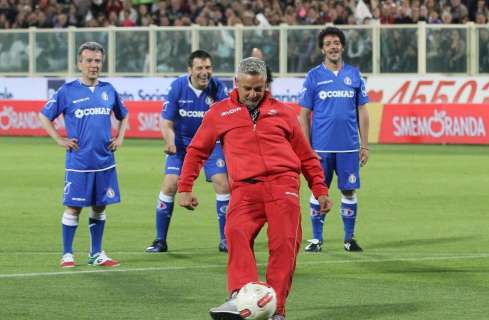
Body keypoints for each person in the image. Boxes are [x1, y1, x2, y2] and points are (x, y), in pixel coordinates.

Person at [177, 57, 332, 320]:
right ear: (236, 83)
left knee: (284, 245)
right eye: (247, 88)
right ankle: (242, 297)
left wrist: (320, 189)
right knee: (235, 232)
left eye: (258, 89)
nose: (252, 94)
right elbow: (196, 151)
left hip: (283, 186)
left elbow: (306, 155)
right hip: (245, 190)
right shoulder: (218, 113)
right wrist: (185, 187)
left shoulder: (283, 112)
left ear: (265, 85)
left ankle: (276, 310)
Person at [39, 41, 129, 268]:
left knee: (100, 206)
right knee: (74, 207)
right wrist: (59, 139)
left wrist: (119, 138)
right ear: (80, 63)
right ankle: (67, 254)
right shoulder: (67, 91)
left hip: (105, 161)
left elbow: (123, 115)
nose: (93, 65)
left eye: (97, 60)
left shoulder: (108, 90)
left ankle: (96, 253)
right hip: (79, 161)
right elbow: (44, 116)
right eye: (89, 60)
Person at [145, 50, 230, 253]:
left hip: (211, 143)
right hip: (182, 145)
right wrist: (170, 142)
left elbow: (228, 119)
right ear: (189, 70)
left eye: (208, 67)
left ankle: (226, 239)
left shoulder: (218, 88)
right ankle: (159, 240)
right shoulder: (177, 87)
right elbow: (166, 122)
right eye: (199, 68)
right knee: (170, 184)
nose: (204, 72)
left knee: (223, 184)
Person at [299, 26, 370, 253]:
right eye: (328, 43)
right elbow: (303, 115)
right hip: (320, 148)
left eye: (337, 43)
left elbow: (363, 111)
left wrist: (364, 144)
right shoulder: (314, 76)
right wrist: (307, 148)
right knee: (318, 191)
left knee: (349, 191)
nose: (333, 47)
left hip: (349, 147)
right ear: (322, 49)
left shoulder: (355, 75)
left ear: (342, 46)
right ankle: (316, 239)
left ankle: (349, 239)